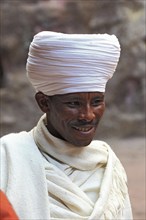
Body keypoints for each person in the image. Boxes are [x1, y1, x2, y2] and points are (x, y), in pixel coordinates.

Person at [0, 31, 133, 220]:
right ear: (44, 103)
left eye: (96, 102)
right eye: (73, 104)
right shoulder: (8, 155)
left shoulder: (108, 165)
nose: (87, 115)